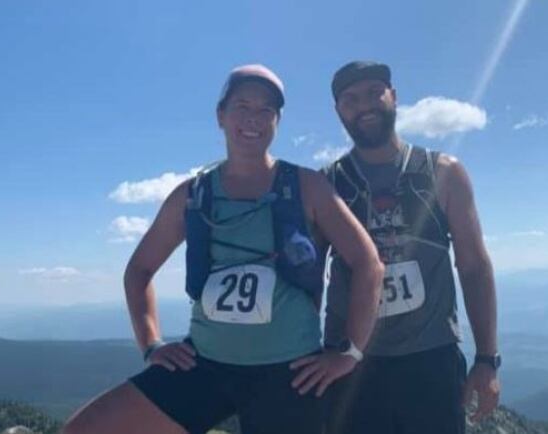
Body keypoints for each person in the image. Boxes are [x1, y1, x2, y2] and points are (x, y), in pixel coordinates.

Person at [62, 64, 383, 434]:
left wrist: (349, 353)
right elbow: (138, 272)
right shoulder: (192, 195)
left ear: (278, 121)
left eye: (266, 110)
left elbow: (368, 263)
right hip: (204, 365)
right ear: (220, 116)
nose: (253, 118)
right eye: (242, 106)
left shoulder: (307, 186)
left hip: (292, 372)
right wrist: (151, 344)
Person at [322, 61, 501, 434]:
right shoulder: (326, 185)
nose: (364, 105)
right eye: (351, 99)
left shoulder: (443, 172)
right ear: (339, 111)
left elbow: (474, 267)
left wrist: (487, 359)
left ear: (394, 96)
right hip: (351, 362)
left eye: (374, 93)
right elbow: (304, 276)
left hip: (430, 361)